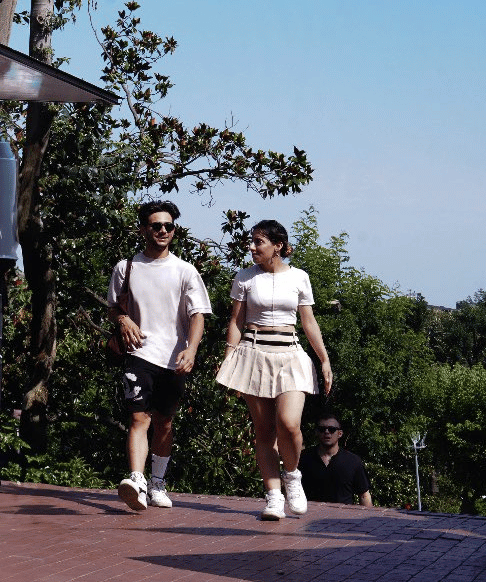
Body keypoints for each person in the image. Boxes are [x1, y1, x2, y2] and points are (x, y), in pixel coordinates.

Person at [215, 218, 333, 521]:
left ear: (277, 246)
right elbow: (236, 322)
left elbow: (308, 321)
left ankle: (292, 477)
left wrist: (324, 360)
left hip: (290, 354)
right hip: (253, 353)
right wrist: (229, 357)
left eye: (259, 242)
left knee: (289, 424)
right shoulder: (244, 277)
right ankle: (273, 496)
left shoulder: (299, 278)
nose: (252, 247)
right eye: (251, 242)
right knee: (264, 430)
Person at [108, 200, 212, 512]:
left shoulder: (185, 271)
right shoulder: (126, 267)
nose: (163, 230)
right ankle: (137, 480)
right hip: (139, 353)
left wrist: (191, 350)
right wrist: (123, 320)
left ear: (174, 231)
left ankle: (157, 482)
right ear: (143, 229)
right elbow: (113, 307)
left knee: (164, 422)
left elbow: (198, 315)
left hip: (173, 358)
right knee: (139, 417)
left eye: (168, 226)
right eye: (156, 225)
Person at [298, 412, 373, 506]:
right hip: (309, 515)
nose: (326, 432)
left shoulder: (353, 461)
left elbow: (364, 496)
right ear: (316, 432)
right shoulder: (303, 458)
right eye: (322, 429)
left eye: (332, 429)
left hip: (342, 518)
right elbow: (291, 489)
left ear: (340, 433)